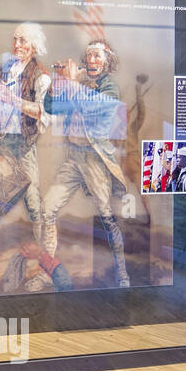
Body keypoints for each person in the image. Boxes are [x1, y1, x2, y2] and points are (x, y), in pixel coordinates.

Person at [41, 39, 131, 287]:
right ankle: (46, 269)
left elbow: (92, 108)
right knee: (47, 208)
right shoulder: (78, 84)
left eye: (97, 57)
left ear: (107, 62)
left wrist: (70, 83)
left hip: (94, 158)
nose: (91, 61)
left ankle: (122, 273)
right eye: (89, 56)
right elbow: (51, 108)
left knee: (106, 215)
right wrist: (55, 84)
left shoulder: (110, 88)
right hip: (74, 158)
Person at [0, 22, 52, 242]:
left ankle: (42, 252)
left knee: (32, 201)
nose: (17, 45)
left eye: (23, 40)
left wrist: (13, 100)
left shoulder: (41, 76)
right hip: (0, 144)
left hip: (23, 146)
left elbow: (43, 113)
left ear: (34, 45)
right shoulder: (4, 70)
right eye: (15, 39)